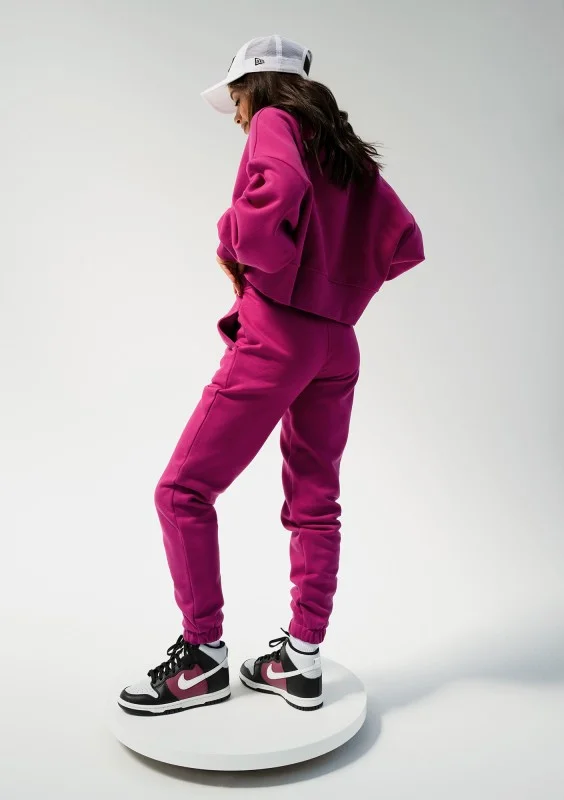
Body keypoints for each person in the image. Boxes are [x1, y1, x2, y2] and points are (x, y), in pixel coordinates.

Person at [118, 34, 424, 716]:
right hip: (336, 343)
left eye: (234, 98)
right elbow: (403, 239)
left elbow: (277, 189)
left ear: (253, 87)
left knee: (181, 491)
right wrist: (336, 286)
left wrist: (233, 239)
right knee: (316, 503)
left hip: (278, 335)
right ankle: (300, 661)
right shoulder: (339, 146)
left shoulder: (274, 120)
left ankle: (202, 658)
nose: (234, 114)